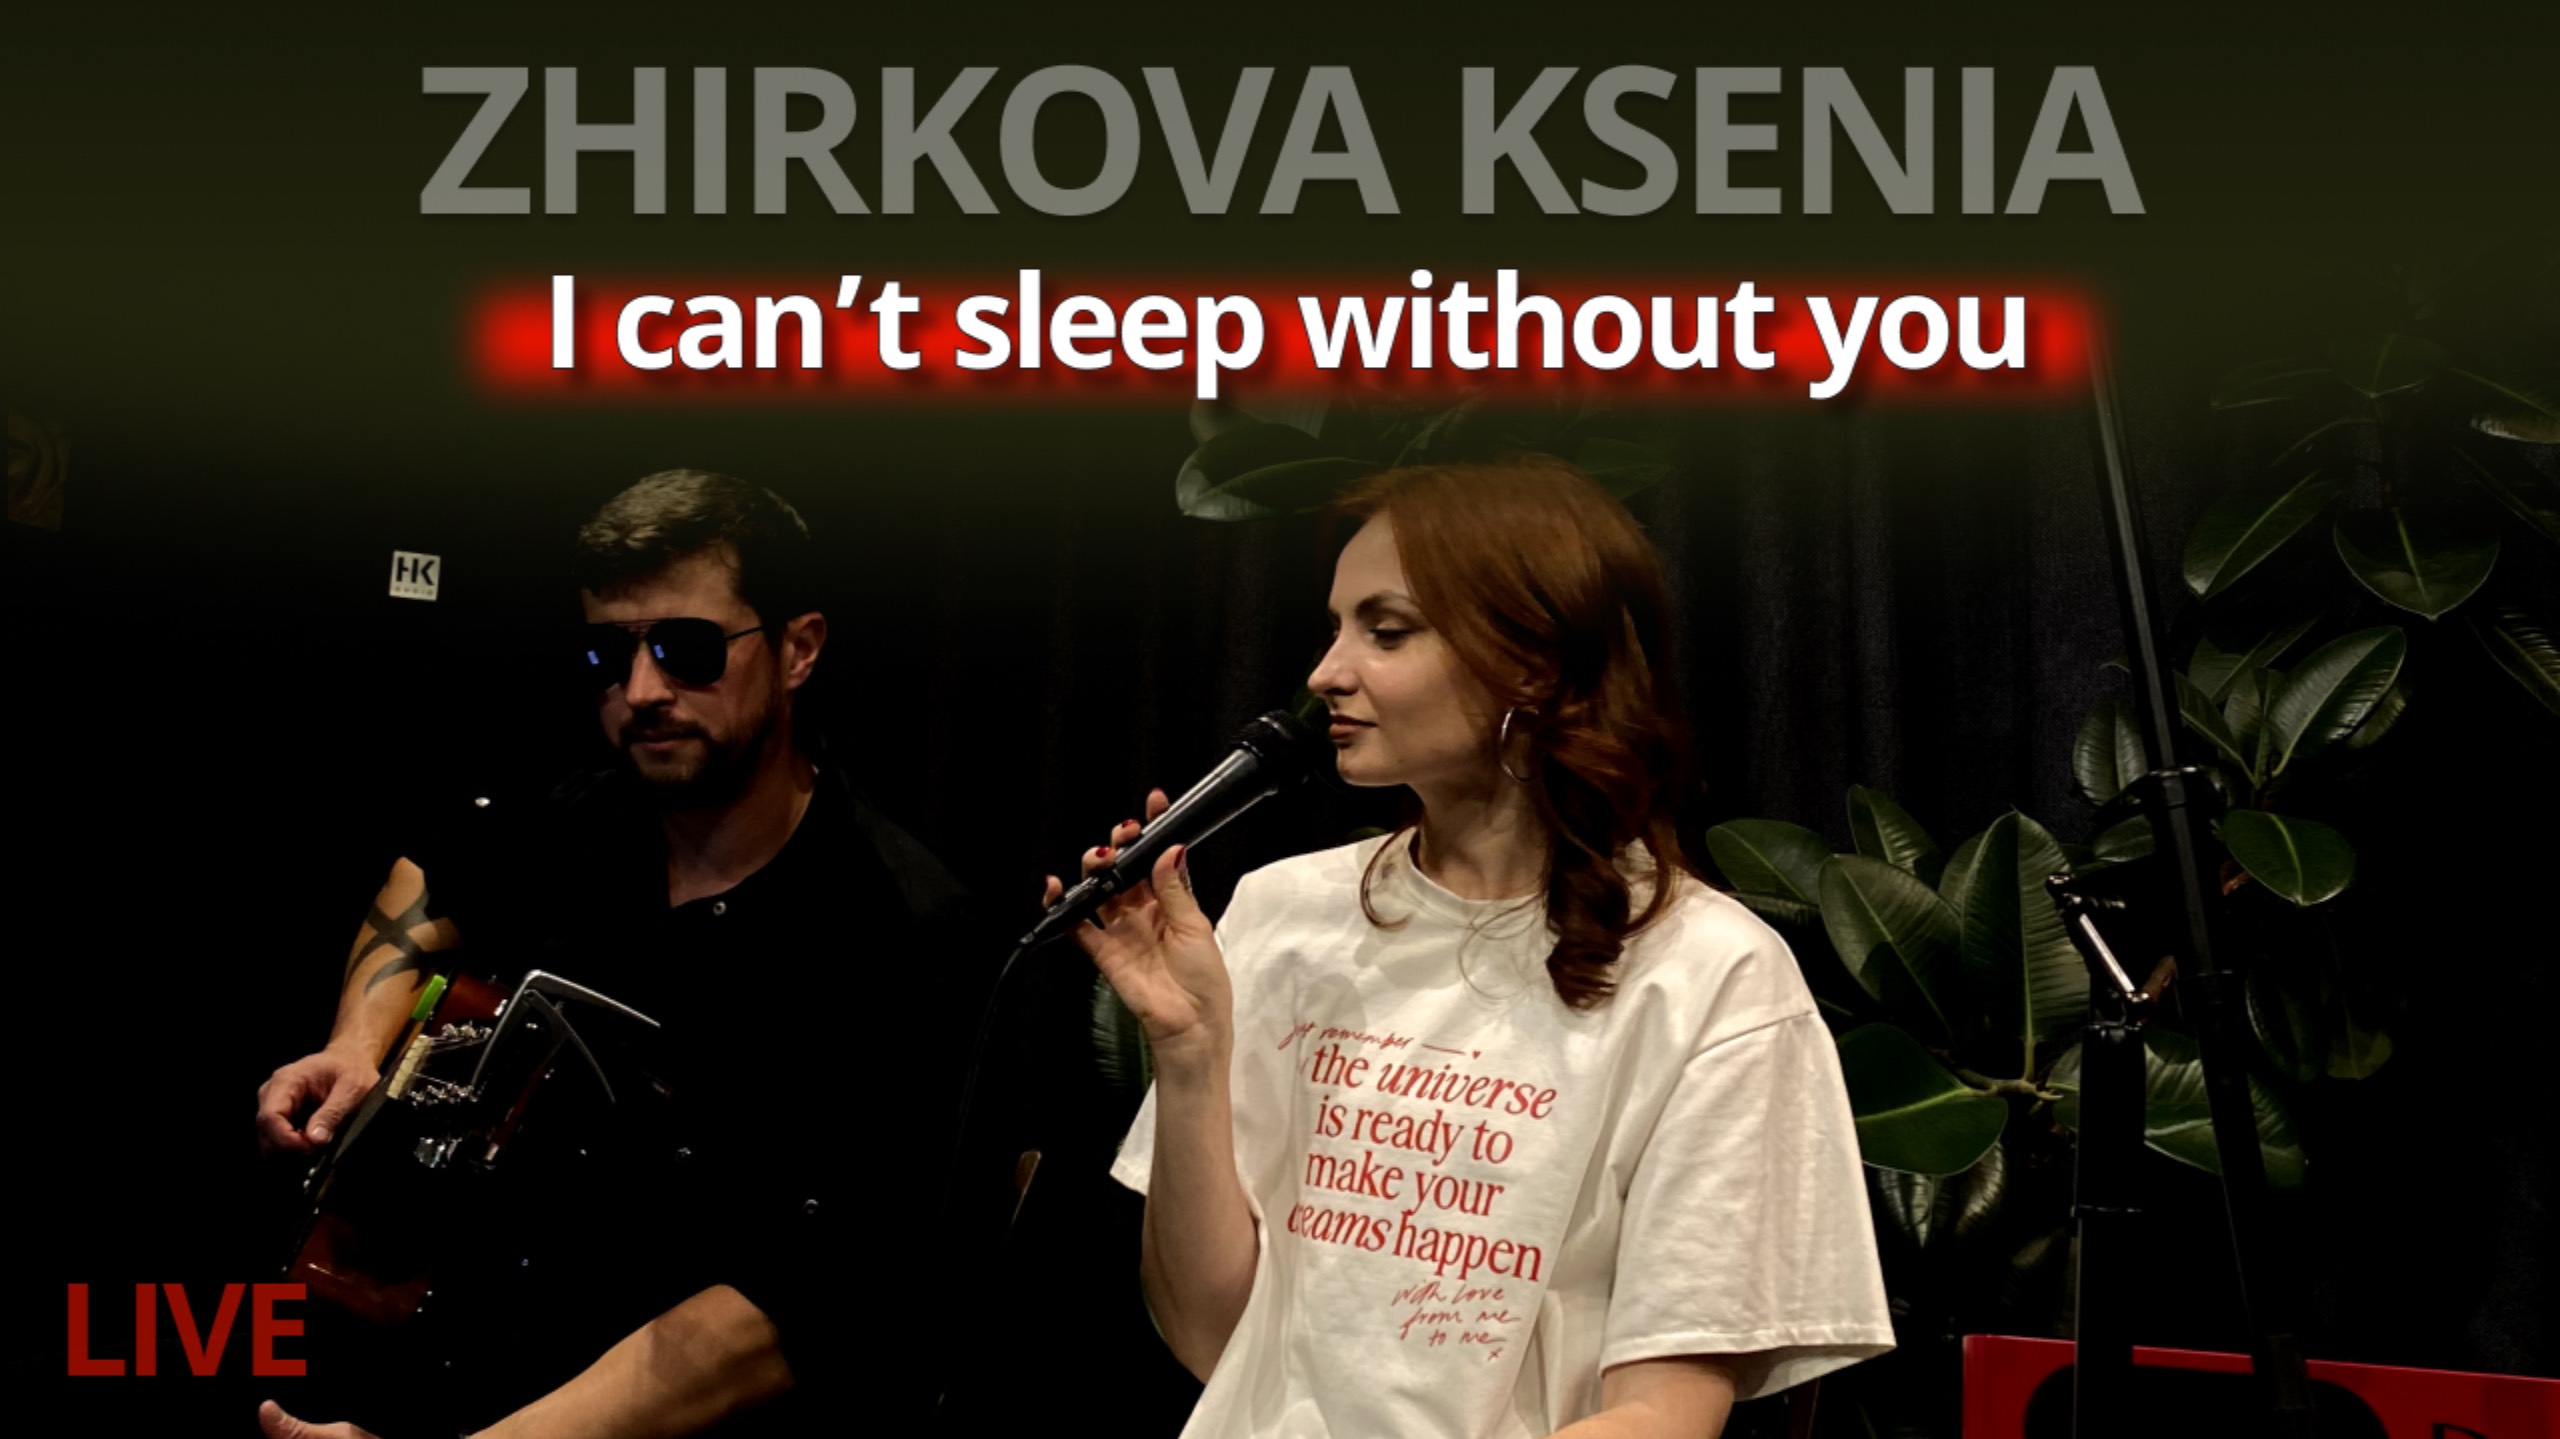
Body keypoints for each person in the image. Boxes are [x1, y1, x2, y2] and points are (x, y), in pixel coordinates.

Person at [1049, 458, 1893, 1438]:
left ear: (1531, 661)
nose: (1325, 673)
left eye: (1387, 630)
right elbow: (1211, 1338)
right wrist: (1191, 1053)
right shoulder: (1285, 910)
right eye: (1335, 626)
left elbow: (1665, 1412)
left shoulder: (1710, 972)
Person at [251, 470, 985, 1438]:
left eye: (687, 649)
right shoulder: (586, 817)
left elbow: (796, 1307)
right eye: (611, 652)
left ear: (798, 648)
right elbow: (424, 880)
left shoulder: (898, 928)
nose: (641, 691)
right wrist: (356, 1044)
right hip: (458, 1344)